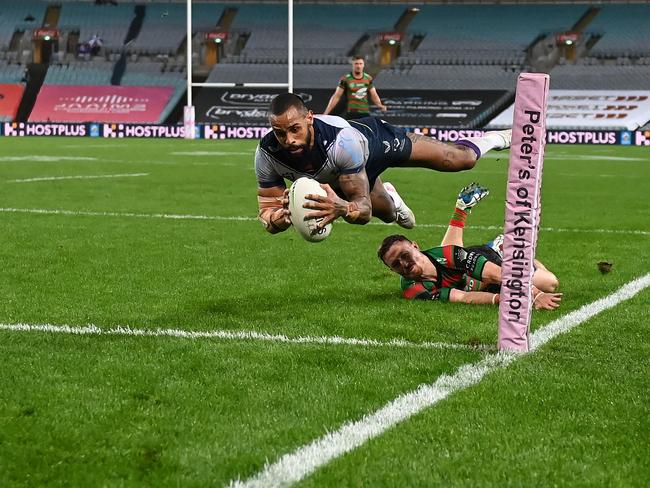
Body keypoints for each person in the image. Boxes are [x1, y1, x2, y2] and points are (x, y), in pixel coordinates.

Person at [256, 93, 512, 236]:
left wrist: (344, 208)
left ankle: (497, 137)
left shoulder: (342, 141)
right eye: (280, 133)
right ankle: (392, 198)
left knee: (460, 159)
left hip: (372, 145)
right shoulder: (267, 153)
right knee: (387, 215)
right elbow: (267, 209)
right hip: (341, 174)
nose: (288, 140)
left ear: (309, 118)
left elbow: (361, 208)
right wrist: (277, 219)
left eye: (294, 129)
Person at [377, 183, 562, 309]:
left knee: (550, 283)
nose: (403, 263)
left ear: (415, 246)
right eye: (396, 264)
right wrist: (502, 299)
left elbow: (496, 274)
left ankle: (504, 250)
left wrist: (535, 295)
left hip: (486, 259)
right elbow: (462, 297)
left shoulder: (451, 255)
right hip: (475, 283)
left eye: (404, 255)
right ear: (393, 271)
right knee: (449, 258)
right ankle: (462, 209)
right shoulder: (413, 289)